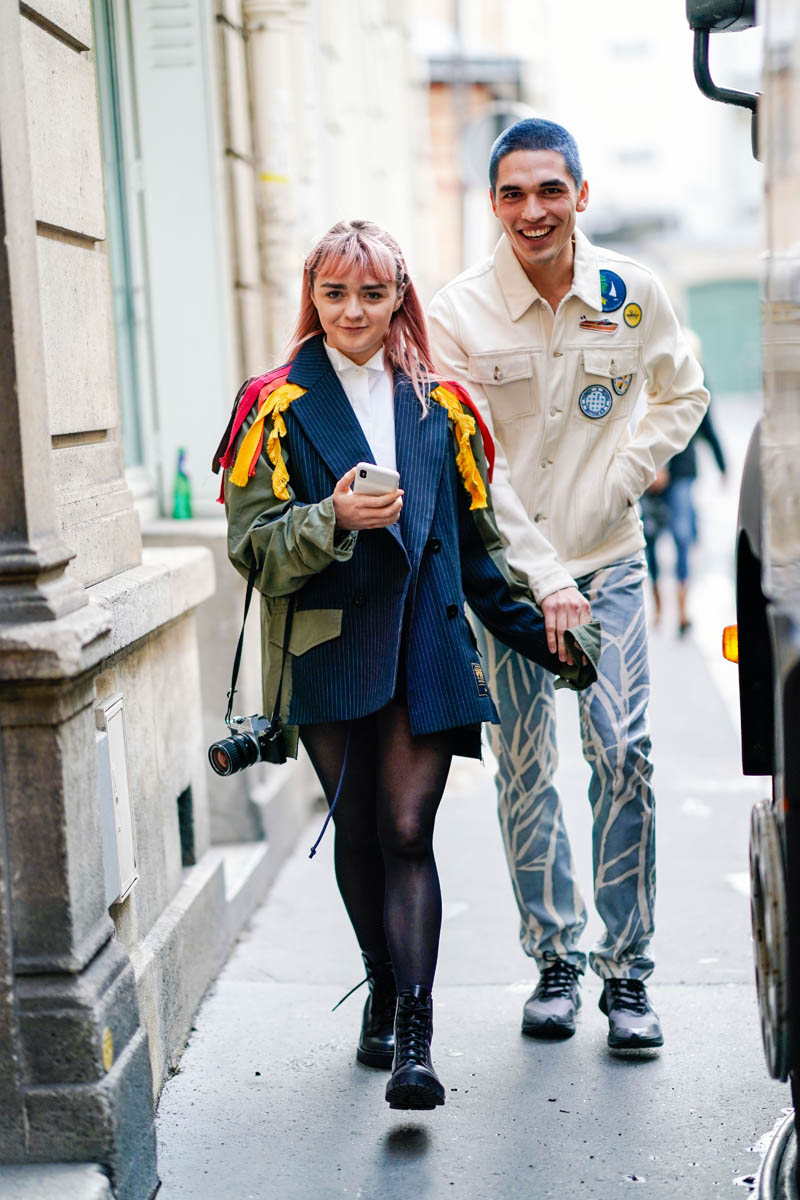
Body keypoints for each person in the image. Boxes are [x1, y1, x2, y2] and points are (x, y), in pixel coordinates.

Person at [213, 219, 600, 1110]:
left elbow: (476, 553)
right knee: (356, 831)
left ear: (399, 299)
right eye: (334, 293)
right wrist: (333, 520)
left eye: (372, 293)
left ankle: (416, 1042)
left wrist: (542, 635)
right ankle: (381, 985)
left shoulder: (441, 406)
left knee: (406, 828)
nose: (353, 311)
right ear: (312, 297)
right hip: (327, 647)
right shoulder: (273, 404)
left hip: (426, 644)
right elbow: (253, 549)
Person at [428, 119, 709, 1053]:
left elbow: (684, 393)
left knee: (622, 750)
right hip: (509, 583)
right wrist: (546, 578)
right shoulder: (458, 313)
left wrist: (625, 474)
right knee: (523, 767)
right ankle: (555, 959)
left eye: (551, 190)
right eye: (513, 193)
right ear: (493, 203)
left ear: (581, 194)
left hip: (611, 562)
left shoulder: (632, 293)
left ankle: (627, 973)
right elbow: (476, 464)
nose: (533, 211)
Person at [642, 390, 727, 635]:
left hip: (681, 470)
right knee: (649, 537)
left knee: (682, 536)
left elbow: (705, 422)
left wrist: (722, 464)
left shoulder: (694, 379)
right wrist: (652, 467)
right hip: (649, 472)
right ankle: (658, 607)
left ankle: (682, 610)